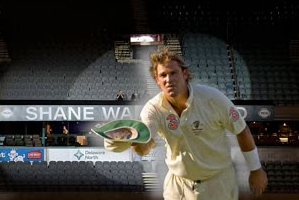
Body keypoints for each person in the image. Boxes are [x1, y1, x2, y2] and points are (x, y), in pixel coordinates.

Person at [104, 46, 267, 200]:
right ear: (157, 80)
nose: (168, 80)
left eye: (173, 73)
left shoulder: (213, 98)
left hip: (218, 182)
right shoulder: (153, 109)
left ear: (185, 74)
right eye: (163, 75)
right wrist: (131, 141)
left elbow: (241, 130)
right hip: (178, 185)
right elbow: (145, 145)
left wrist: (256, 169)